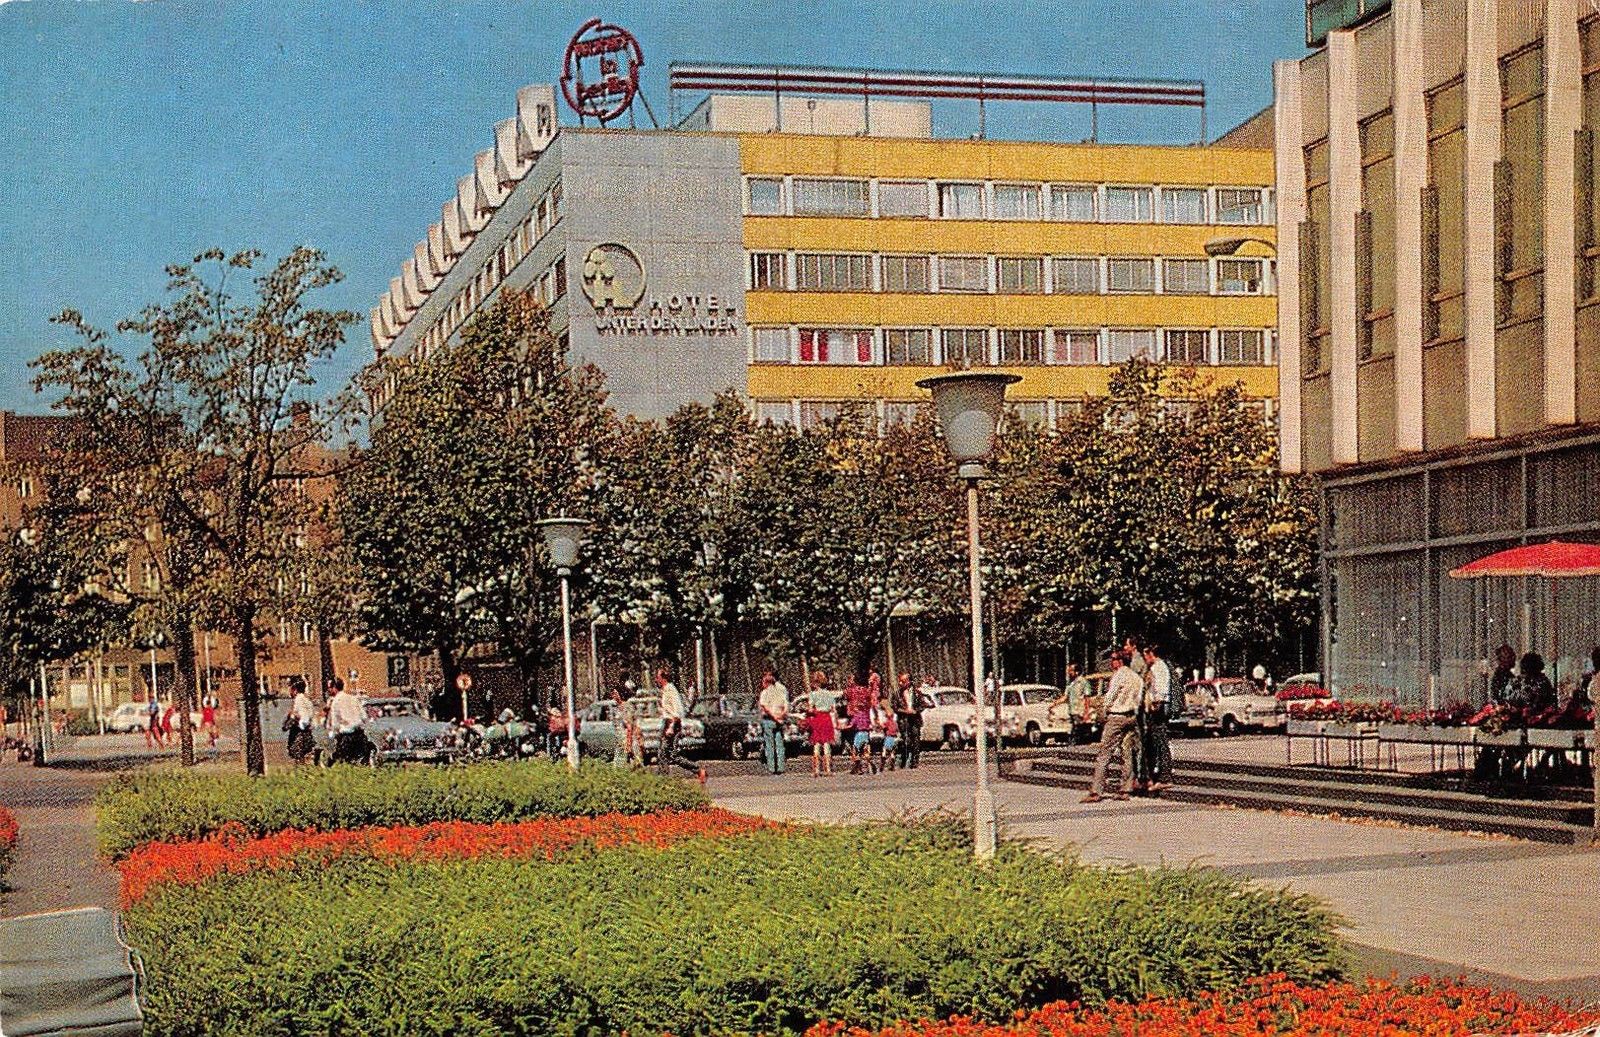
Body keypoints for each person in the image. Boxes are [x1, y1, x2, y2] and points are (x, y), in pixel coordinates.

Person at [1083, 650, 1141, 803]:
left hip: (1117, 715)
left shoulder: (1119, 675)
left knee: (1105, 753)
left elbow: (1110, 697)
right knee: (1127, 753)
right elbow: (1139, 698)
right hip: (1132, 716)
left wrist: (1103, 712)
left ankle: (1096, 791)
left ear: (1120, 661)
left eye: (1114, 659)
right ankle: (1125, 788)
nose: (1112, 662)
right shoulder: (1136, 677)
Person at [1141, 644, 1174, 792]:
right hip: (1157, 705)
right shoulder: (1158, 667)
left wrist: (1155, 705)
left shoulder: (1159, 668)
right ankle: (1158, 774)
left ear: (1151, 654)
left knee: (1160, 740)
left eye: (1145, 655)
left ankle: (1165, 777)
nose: (1145, 659)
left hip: (1158, 706)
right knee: (1155, 740)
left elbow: (1160, 690)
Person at [325, 677, 368, 764]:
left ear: (334, 688)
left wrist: (333, 734)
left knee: (342, 761)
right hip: (360, 735)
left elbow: (335, 724)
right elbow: (364, 717)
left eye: (330, 688)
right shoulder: (353, 698)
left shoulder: (335, 702)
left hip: (346, 737)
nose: (329, 690)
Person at [757, 671, 789, 776]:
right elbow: (786, 705)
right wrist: (781, 716)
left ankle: (771, 767)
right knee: (779, 742)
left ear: (766, 682)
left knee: (769, 743)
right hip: (780, 718)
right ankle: (780, 766)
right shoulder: (781, 691)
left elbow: (765, 707)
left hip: (769, 719)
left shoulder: (765, 693)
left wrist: (774, 717)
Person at [806, 671, 836, 777]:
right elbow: (833, 709)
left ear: (815, 682)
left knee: (817, 743)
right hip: (827, 718)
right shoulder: (830, 694)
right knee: (826, 743)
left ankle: (816, 770)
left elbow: (810, 709)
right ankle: (828, 769)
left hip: (817, 718)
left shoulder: (813, 695)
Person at [845, 673, 876, 775]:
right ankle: (865, 765)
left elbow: (845, 695)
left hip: (854, 717)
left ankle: (857, 766)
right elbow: (870, 701)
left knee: (854, 746)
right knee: (865, 746)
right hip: (865, 719)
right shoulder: (866, 691)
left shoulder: (852, 690)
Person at [655, 667, 683, 774]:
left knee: (665, 753)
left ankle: (697, 769)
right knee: (663, 752)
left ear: (663, 678)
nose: (656, 680)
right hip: (666, 721)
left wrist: (671, 727)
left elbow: (678, 710)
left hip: (672, 723)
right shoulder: (665, 690)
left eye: (658, 677)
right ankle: (663, 775)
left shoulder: (671, 689)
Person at [1055, 663, 1092, 742]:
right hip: (1072, 711)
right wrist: (1054, 704)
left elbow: (1087, 697)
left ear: (1077, 672)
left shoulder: (1083, 682)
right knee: (1075, 730)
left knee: (1080, 731)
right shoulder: (1070, 684)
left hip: (1080, 711)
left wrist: (1086, 712)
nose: (1069, 672)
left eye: (1071, 670)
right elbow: (1065, 697)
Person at [892, 673, 922, 770]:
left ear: (909, 682)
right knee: (906, 740)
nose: (900, 683)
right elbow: (895, 707)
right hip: (903, 719)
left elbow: (922, 704)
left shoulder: (917, 693)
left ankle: (914, 761)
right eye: (900, 681)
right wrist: (905, 711)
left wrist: (916, 711)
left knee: (916, 739)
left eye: (903, 681)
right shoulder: (897, 694)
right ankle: (904, 758)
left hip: (915, 719)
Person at [286, 677, 316, 763]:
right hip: (308, 734)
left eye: (289, 687)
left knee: (299, 761)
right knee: (306, 760)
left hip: (299, 735)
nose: (288, 690)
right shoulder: (308, 701)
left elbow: (304, 719)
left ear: (294, 689)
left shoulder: (299, 700)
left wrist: (294, 719)